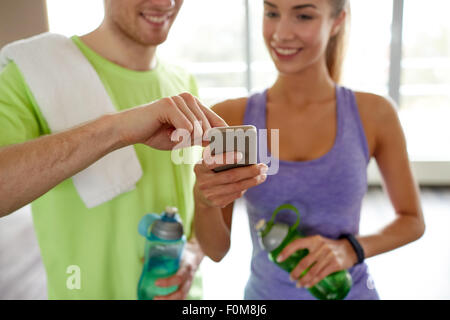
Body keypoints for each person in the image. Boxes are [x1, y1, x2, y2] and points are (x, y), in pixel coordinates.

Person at [0, 0, 263, 300]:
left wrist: (193, 251)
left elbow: (200, 223)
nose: (165, 3)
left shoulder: (182, 83)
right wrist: (119, 129)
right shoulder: (31, 74)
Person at [194, 0, 425, 300]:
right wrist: (203, 201)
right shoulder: (232, 119)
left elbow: (412, 220)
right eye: (272, 13)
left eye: (303, 15)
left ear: (338, 20)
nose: (281, 33)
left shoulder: (375, 113)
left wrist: (350, 249)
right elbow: (215, 251)